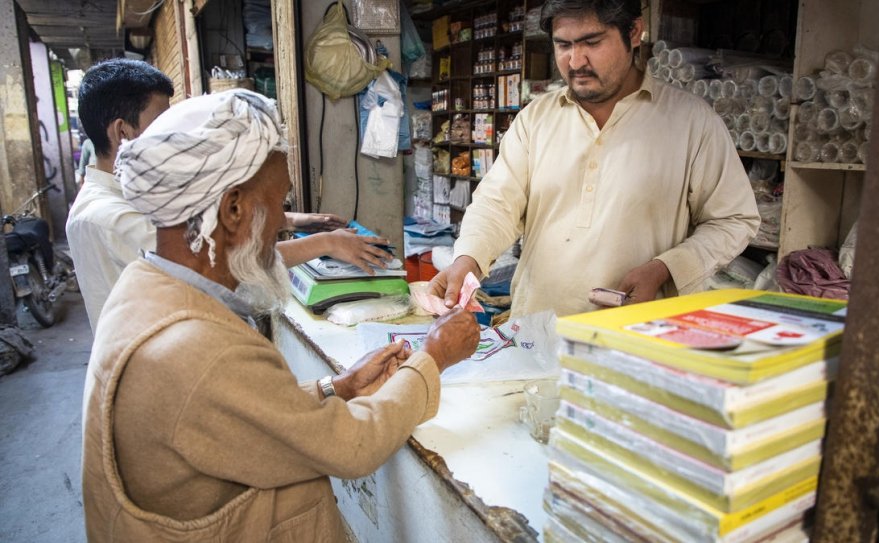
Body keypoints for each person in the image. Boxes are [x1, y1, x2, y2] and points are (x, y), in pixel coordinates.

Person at [82, 89, 481, 541]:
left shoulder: (143, 286)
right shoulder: (196, 345)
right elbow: (352, 446)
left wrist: (337, 387)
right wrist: (434, 356)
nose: (281, 221)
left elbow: (233, 417)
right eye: (278, 202)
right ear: (233, 209)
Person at [429, 0, 760, 318]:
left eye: (591, 42)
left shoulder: (692, 122)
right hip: (539, 331)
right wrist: (468, 259)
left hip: (636, 337)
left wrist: (665, 269)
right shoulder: (536, 118)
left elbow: (733, 220)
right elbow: (497, 204)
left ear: (633, 32)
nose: (575, 62)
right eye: (563, 45)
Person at [67, 58, 391, 333]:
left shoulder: (119, 199)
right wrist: (327, 243)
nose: (178, 134)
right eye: (161, 120)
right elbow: (216, 255)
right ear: (122, 132)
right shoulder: (108, 215)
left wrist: (286, 218)